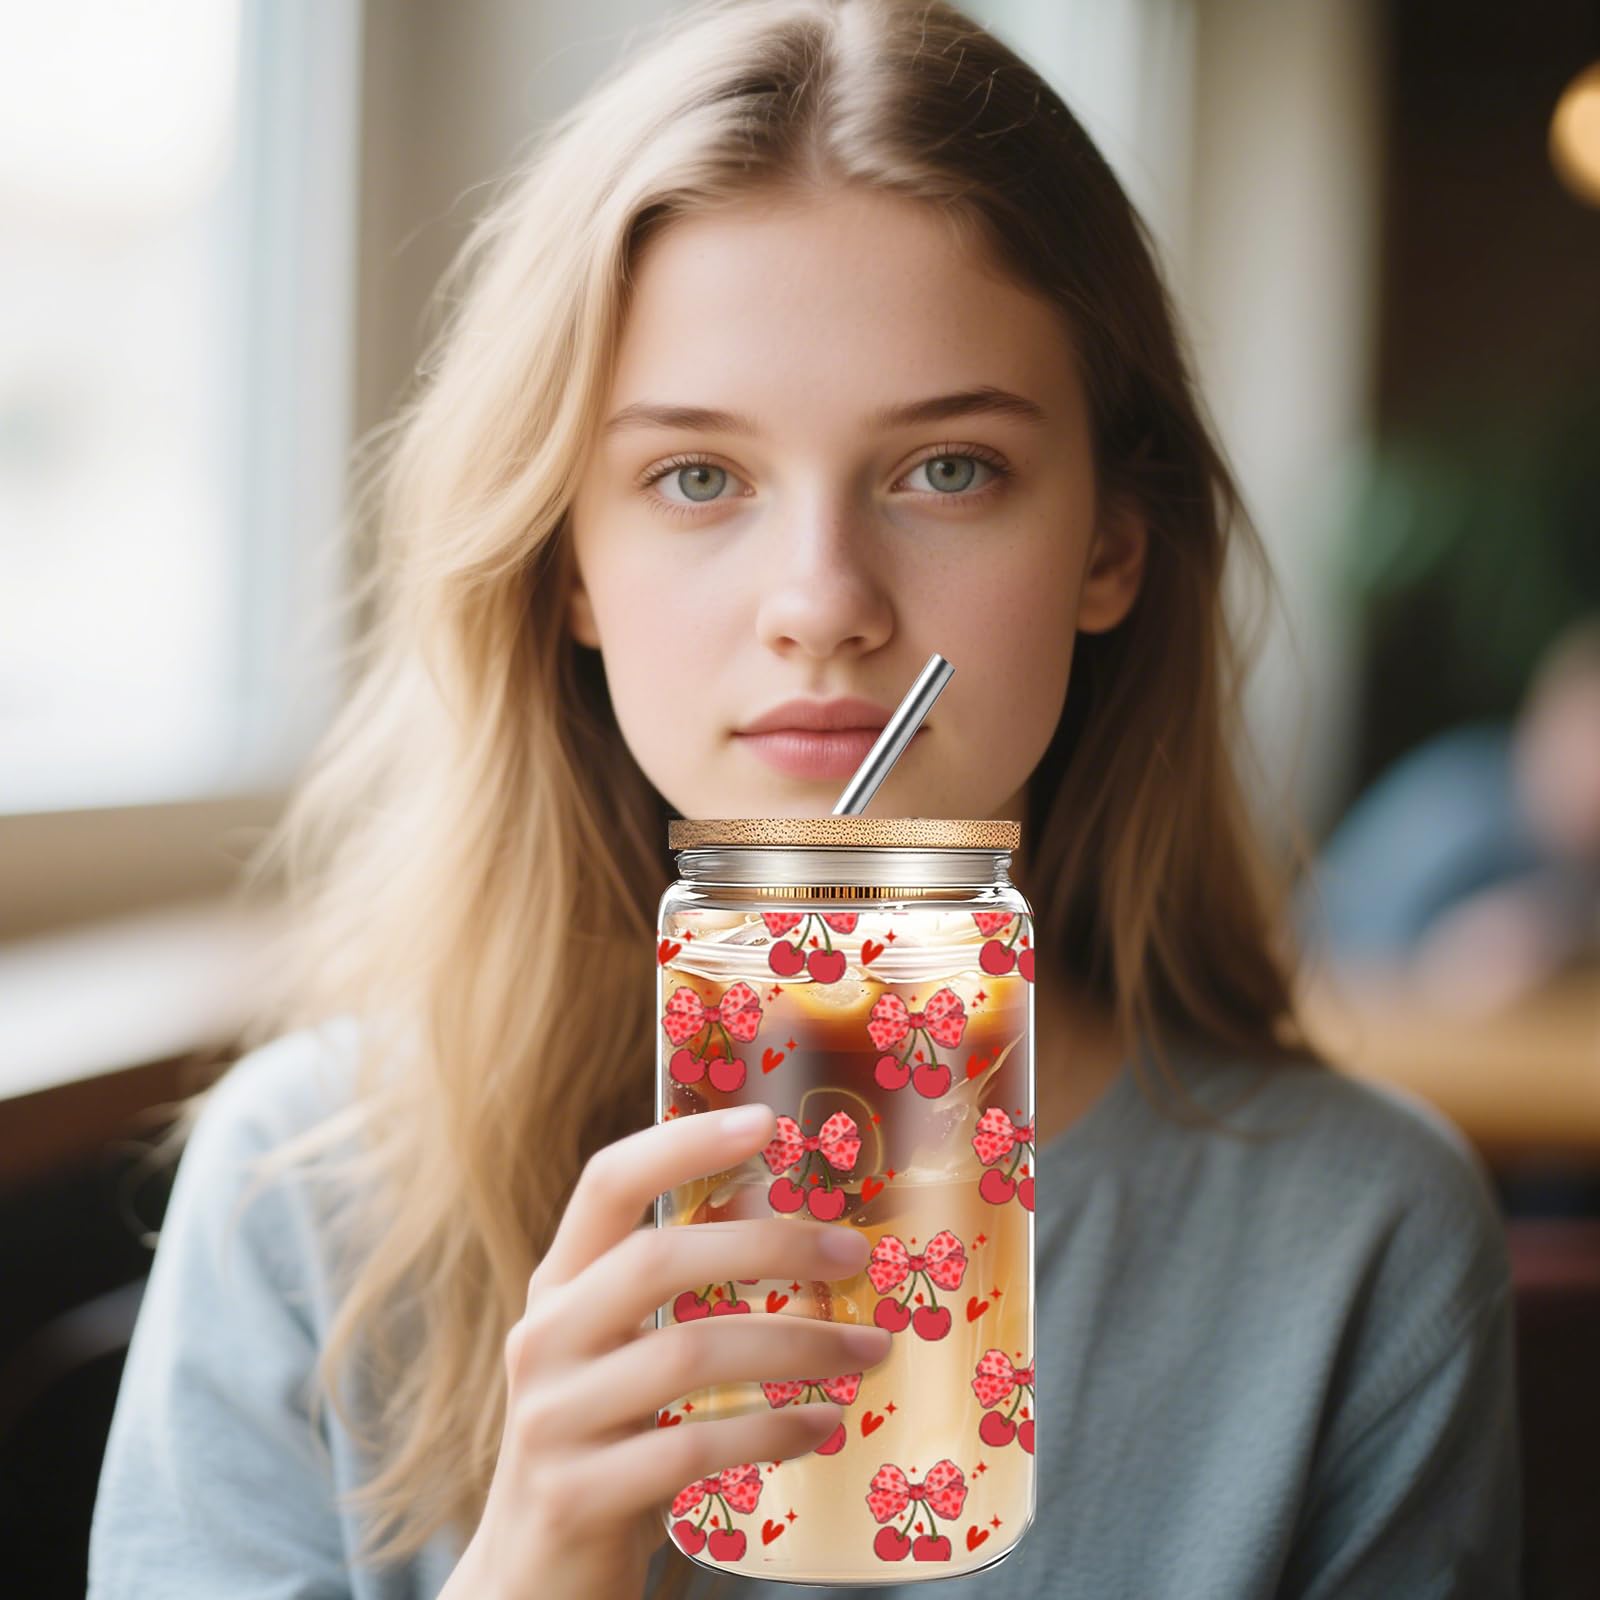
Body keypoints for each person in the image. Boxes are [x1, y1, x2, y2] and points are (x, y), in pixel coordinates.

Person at [86, 2, 1521, 1596]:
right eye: (697, 477)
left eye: (948, 469)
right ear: (571, 564)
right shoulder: (311, 1194)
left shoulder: (1359, 1240)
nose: (823, 600)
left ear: (1111, 545)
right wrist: (534, 1562)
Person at [1300, 616, 1600, 1018]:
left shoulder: (1566, 849)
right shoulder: (1457, 808)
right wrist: (1452, 967)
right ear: (1545, 726)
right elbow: (1344, 970)